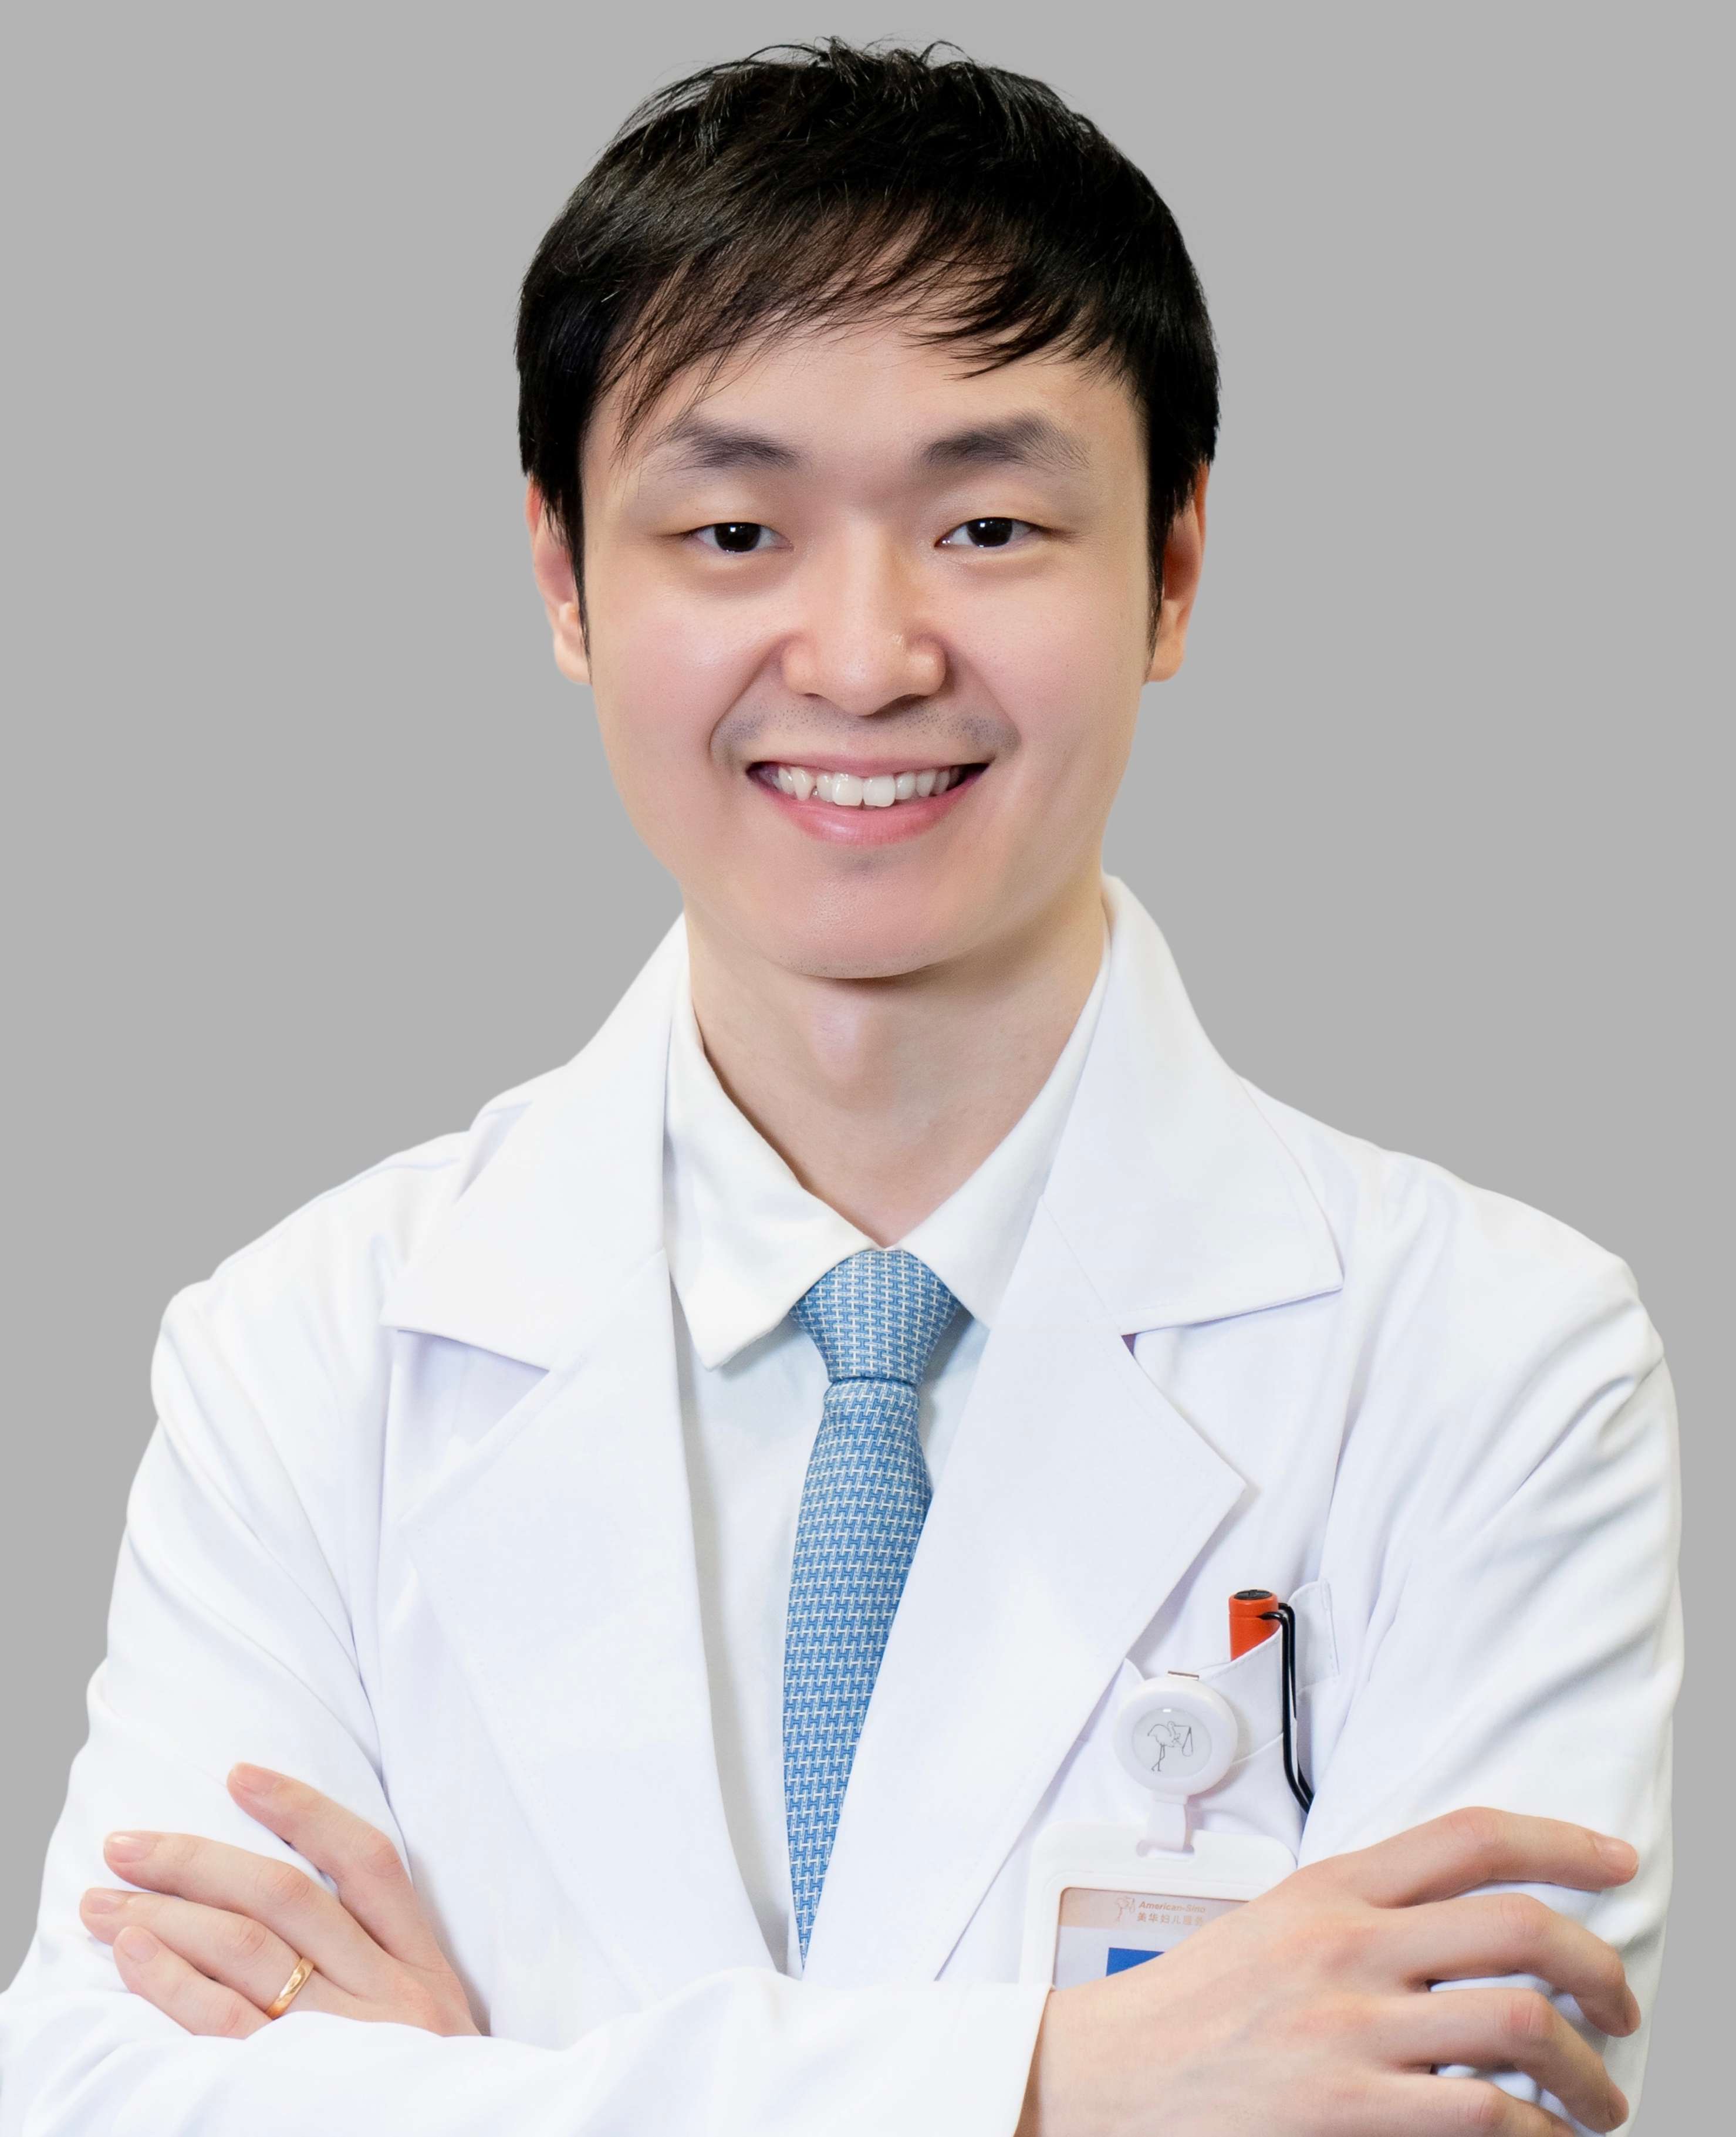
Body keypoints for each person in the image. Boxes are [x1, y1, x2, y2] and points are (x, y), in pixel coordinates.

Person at [0, 37, 1680, 2137]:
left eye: (988, 523)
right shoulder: (309, 1357)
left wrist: (469, 2091)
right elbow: (106, 2099)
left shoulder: (1497, 1363)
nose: (868, 655)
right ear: (563, 579)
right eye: (734, 530)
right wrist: (1061, 2085)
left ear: (1171, 567)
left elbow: (1461, 2111)